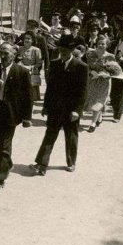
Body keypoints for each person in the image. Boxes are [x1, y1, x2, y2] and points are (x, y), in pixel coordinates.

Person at [29, 34, 89, 175]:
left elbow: (83, 91)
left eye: (66, 50)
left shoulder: (81, 66)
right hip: (55, 108)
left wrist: (77, 110)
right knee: (50, 135)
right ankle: (41, 164)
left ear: (72, 50)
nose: (63, 53)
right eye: (61, 50)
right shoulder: (55, 64)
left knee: (71, 136)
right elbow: (50, 88)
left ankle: (71, 162)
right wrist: (46, 106)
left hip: (71, 110)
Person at [0, 43, 32, 190]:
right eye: (1, 53)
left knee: (4, 146)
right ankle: (7, 163)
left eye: (6, 53)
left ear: (14, 54)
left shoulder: (22, 72)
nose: (3, 56)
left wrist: (26, 117)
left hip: (12, 115)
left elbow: (28, 96)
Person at [83, 36, 114, 132]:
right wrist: (92, 72)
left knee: (99, 100)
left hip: (104, 81)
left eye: (103, 44)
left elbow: (115, 70)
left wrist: (106, 74)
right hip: (93, 80)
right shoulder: (90, 54)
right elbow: (86, 66)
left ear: (107, 45)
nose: (100, 45)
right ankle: (99, 116)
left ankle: (92, 123)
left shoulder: (110, 56)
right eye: (99, 43)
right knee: (92, 99)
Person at [17, 31, 43, 100]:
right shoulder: (20, 49)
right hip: (22, 70)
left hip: (33, 71)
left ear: (32, 41)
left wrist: (30, 67)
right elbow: (18, 59)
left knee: (33, 96)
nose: (26, 40)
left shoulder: (36, 50)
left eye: (29, 39)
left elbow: (39, 63)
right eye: (25, 38)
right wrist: (20, 63)